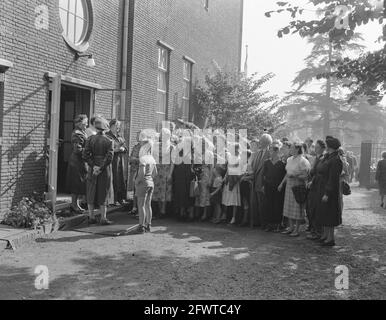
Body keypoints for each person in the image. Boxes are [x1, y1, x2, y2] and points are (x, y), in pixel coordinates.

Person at [83, 117, 114, 225]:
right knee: (103, 190)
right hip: (104, 169)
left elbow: (85, 155)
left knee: (91, 190)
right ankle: (103, 218)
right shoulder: (109, 140)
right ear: (105, 129)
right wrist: (100, 167)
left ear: (96, 127)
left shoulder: (90, 139)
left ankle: (91, 216)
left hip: (92, 167)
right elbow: (109, 157)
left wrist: (93, 166)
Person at [315, 136, 343, 247]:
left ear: (330, 146)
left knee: (329, 215)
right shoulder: (328, 157)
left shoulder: (335, 160)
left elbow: (333, 178)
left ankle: (330, 238)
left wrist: (327, 193)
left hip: (329, 190)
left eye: (326, 145)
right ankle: (325, 236)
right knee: (324, 214)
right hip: (322, 187)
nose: (325, 147)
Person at [279, 143, 311, 237]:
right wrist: (281, 184)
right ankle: (291, 227)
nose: (290, 150)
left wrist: (296, 176)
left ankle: (297, 229)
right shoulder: (289, 159)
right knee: (289, 207)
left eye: (292, 148)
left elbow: (306, 176)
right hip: (289, 185)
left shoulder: (302, 161)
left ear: (297, 149)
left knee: (297, 208)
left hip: (298, 186)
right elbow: (287, 174)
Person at [262, 141, 286, 232]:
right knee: (268, 205)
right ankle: (269, 224)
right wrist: (263, 185)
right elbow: (264, 175)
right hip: (268, 186)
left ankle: (277, 224)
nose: (270, 153)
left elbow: (284, 176)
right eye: (270, 151)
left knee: (277, 205)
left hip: (278, 187)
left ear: (276, 152)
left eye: (272, 151)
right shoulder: (267, 162)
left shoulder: (282, 163)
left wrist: (281, 185)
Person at [134, 138, 158, 234]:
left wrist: (137, 181)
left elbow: (141, 173)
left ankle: (141, 226)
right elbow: (155, 173)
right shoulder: (152, 158)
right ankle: (149, 224)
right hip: (150, 183)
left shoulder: (143, 159)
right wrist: (149, 178)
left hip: (143, 184)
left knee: (141, 205)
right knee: (148, 205)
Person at [66, 114, 88, 213]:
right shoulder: (77, 134)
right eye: (84, 123)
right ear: (79, 123)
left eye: (86, 123)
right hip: (77, 162)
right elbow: (77, 149)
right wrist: (88, 150)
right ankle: (74, 205)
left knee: (79, 184)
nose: (86, 125)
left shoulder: (81, 132)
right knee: (76, 183)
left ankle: (76, 204)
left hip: (80, 161)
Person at [251, 133, 273, 228]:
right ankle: (258, 222)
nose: (259, 142)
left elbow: (269, 171)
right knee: (256, 203)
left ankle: (264, 223)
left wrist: (265, 184)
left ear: (266, 142)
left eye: (261, 140)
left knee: (263, 204)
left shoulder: (270, 153)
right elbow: (254, 167)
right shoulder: (258, 153)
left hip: (263, 183)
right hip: (255, 181)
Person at [306, 140, 326, 240]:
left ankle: (318, 232)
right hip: (313, 186)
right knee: (311, 208)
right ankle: (314, 230)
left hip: (318, 186)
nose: (316, 149)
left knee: (317, 209)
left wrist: (312, 181)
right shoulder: (316, 158)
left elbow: (319, 173)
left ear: (323, 148)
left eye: (318, 147)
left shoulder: (323, 158)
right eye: (315, 147)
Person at [152, 128, 174, 218]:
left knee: (164, 191)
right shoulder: (157, 145)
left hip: (165, 170)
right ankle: (158, 210)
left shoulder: (172, 147)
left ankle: (163, 210)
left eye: (163, 134)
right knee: (157, 190)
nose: (161, 136)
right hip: (157, 170)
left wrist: (170, 174)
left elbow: (173, 162)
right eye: (161, 134)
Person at [106, 119, 128, 205]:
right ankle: (113, 199)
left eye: (119, 126)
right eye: (116, 125)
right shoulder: (108, 136)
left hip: (120, 160)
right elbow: (107, 149)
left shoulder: (120, 136)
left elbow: (126, 148)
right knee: (114, 178)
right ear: (111, 126)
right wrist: (115, 150)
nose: (118, 127)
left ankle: (121, 198)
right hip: (112, 160)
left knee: (121, 178)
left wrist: (123, 148)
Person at [221, 143, 242, 225]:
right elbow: (228, 168)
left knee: (234, 200)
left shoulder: (239, 159)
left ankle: (233, 217)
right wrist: (225, 177)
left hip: (234, 180)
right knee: (226, 198)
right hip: (228, 179)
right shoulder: (230, 158)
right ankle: (225, 215)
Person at [128, 132, 142, 216]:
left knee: (140, 191)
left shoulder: (145, 147)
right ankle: (134, 208)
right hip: (134, 170)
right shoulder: (136, 146)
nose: (136, 137)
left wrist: (135, 159)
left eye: (138, 136)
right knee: (135, 190)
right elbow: (130, 158)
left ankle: (140, 210)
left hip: (141, 170)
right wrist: (134, 159)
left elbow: (143, 159)